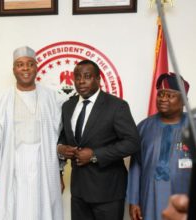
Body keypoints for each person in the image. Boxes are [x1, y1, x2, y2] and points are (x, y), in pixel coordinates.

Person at [0, 46, 65, 220]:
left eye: (30, 64)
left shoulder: (53, 98)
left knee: (45, 211)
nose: (25, 68)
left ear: (36, 67)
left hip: (45, 169)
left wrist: (60, 172)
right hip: (11, 168)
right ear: (13, 69)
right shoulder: (0, 101)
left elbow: (60, 139)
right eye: (20, 64)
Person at [58, 59, 140, 220]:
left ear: (98, 79)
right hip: (79, 191)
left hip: (108, 191)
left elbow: (133, 142)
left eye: (87, 76)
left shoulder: (117, 106)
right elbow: (62, 137)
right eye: (77, 77)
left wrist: (95, 154)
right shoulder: (68, 106)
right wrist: (60, 148)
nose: (81, 81)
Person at [127, 73, 191, 220]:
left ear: (183, 101)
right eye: (160, 94)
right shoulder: (143, 127)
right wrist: (134, 200)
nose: (163, 98)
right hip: (149, 198)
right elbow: (136, 166)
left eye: (170, 95)